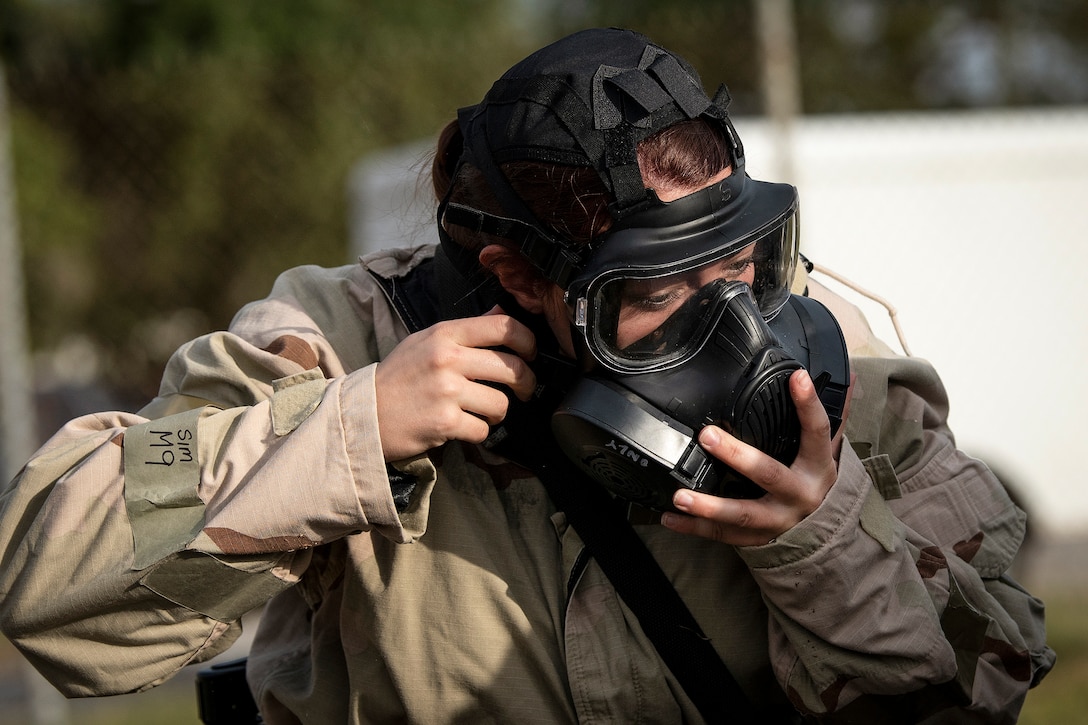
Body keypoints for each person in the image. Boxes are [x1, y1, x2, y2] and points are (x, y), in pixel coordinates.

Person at [0, 27, 1054, 724]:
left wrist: (821, 539)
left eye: (746, 266)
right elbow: (46, 586)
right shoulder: (340, 337)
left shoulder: (826, 368)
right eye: (658, 295)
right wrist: (348, 431)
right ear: (518, 275)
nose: (733, 323)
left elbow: (994, 677)